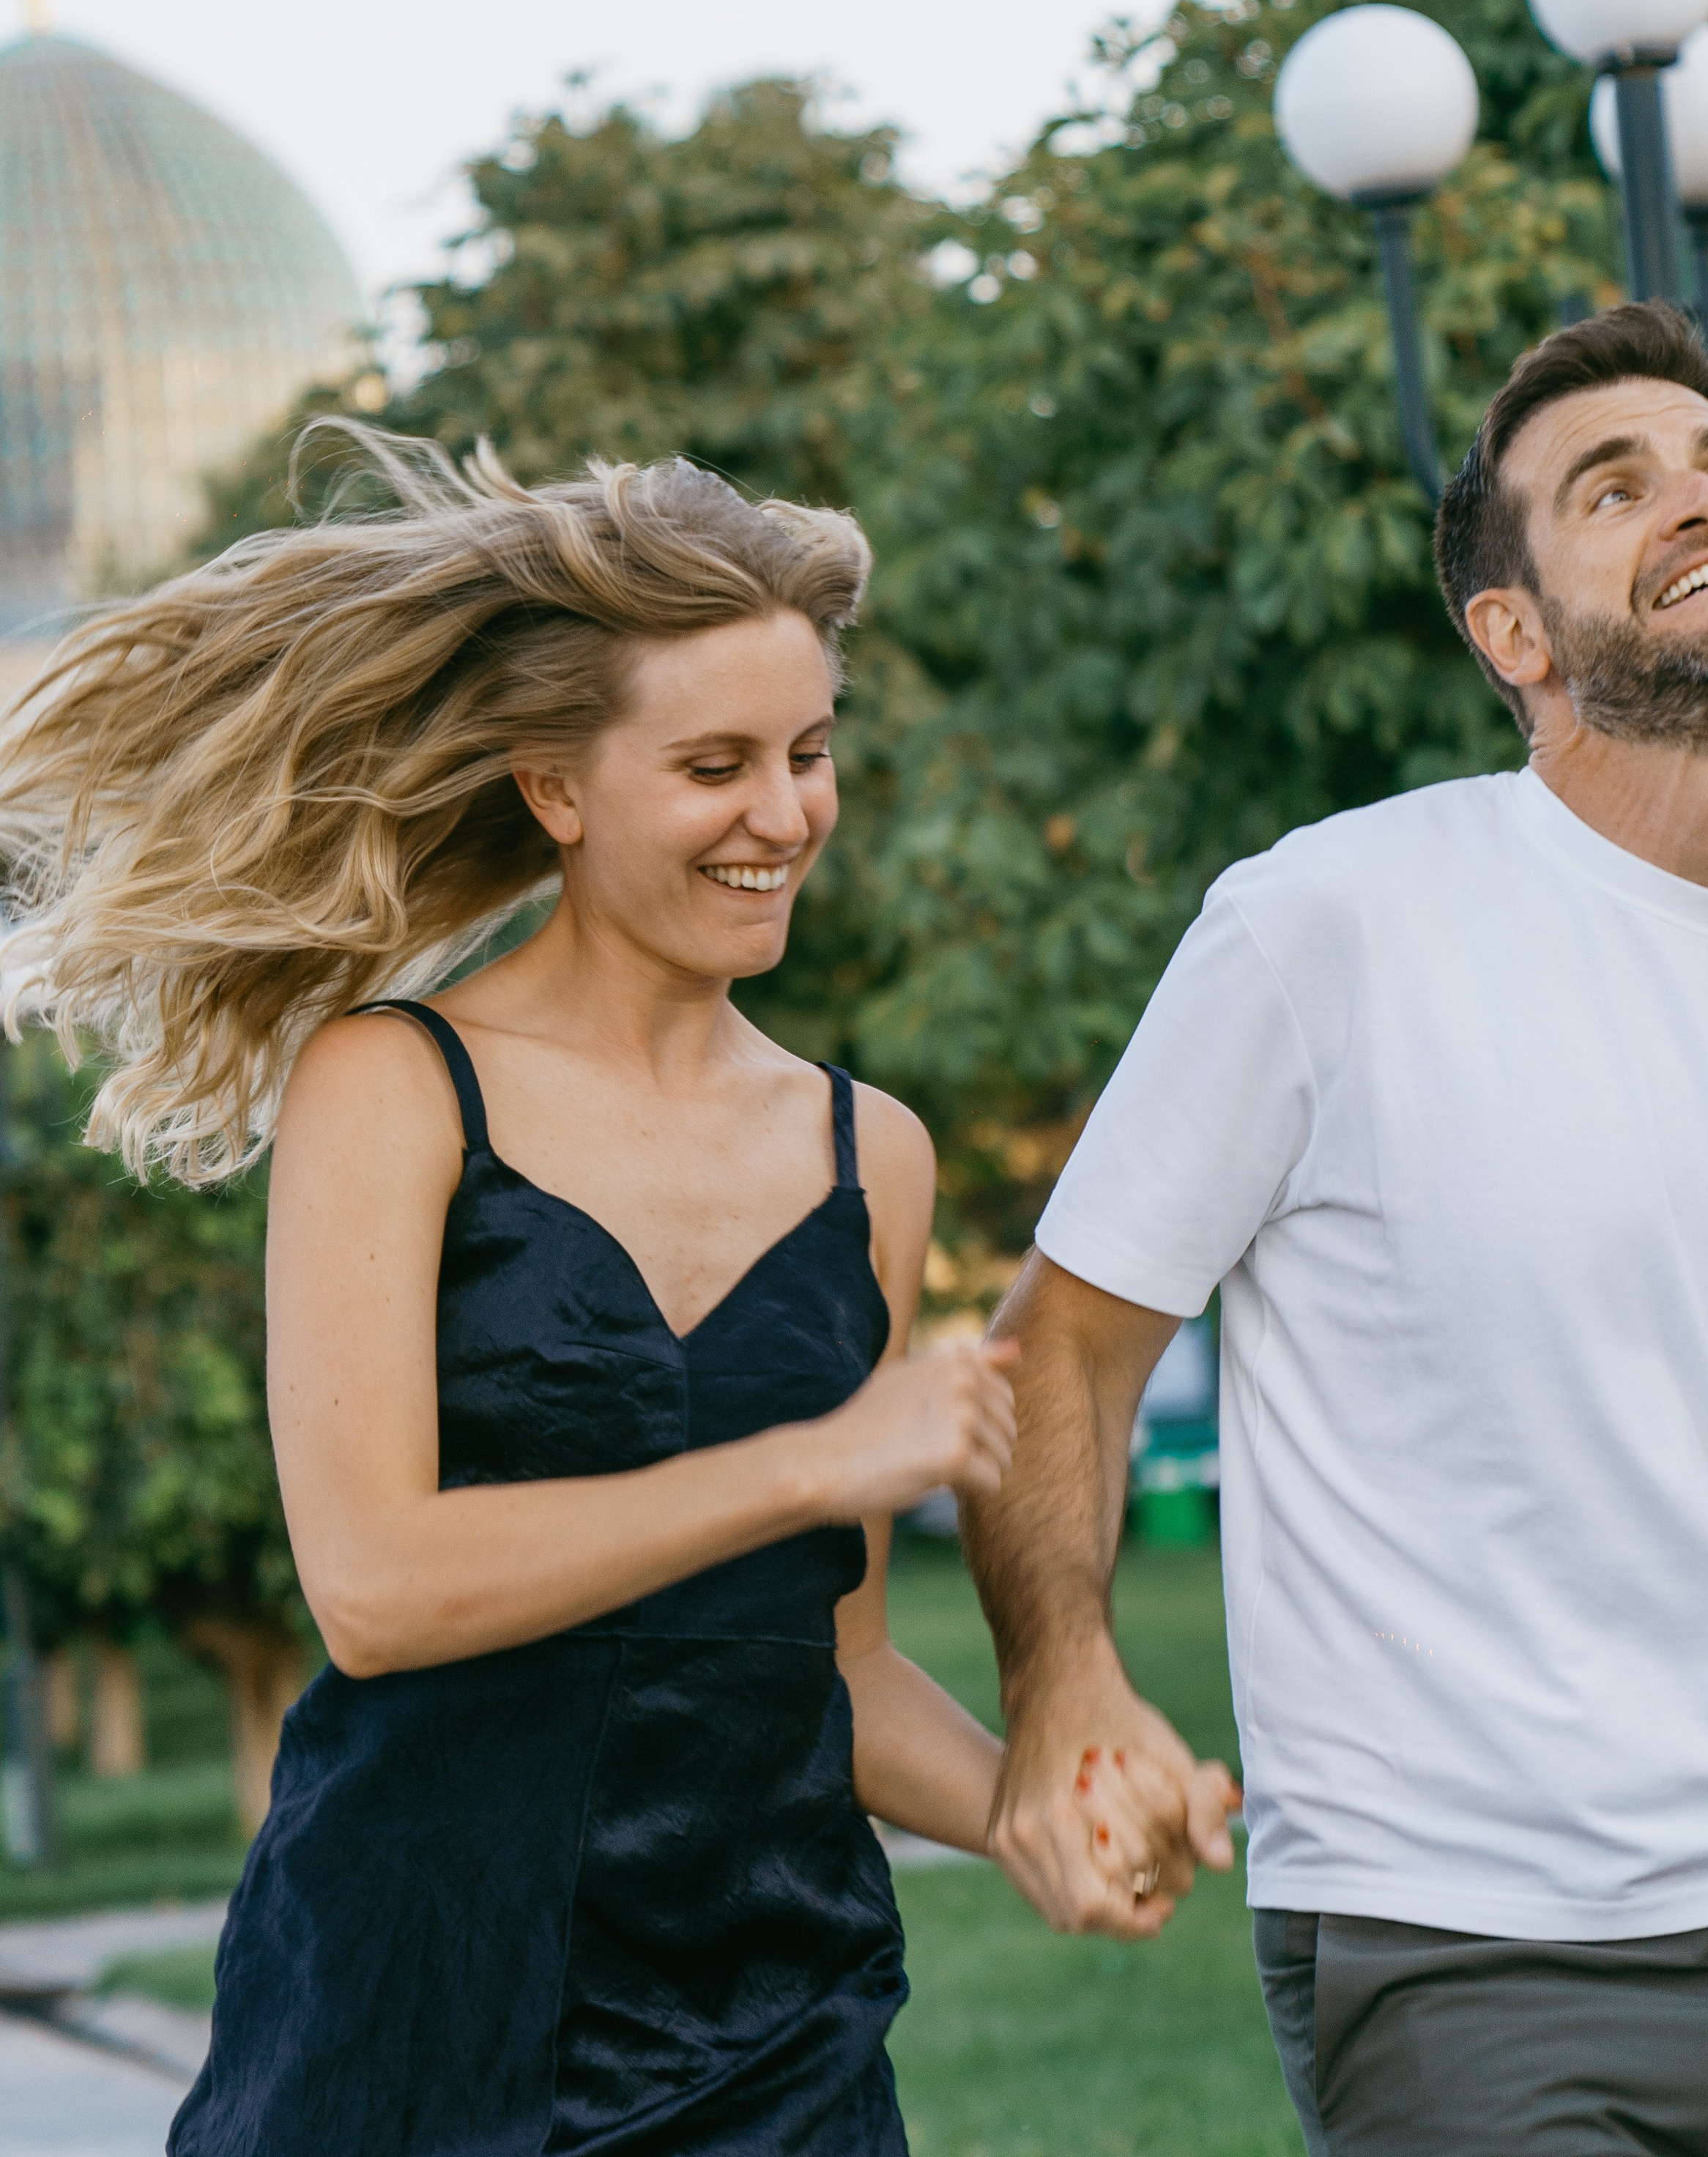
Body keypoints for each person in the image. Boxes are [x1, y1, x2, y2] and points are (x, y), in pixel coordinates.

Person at [0, 434, 1023, 2157]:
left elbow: (829, 1656)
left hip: (774, 2036)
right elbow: (376, 1588)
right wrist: (803, 1462)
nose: (782, 814)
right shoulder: (392, 1087)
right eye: (713, 763)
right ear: (555, 786)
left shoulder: (876, 1155)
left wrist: (1038, 1806)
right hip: (413, 2019)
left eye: (808, 752)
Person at [963, 302, 1708, 2154]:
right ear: (1512, 636)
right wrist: (1067, 1675)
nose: (1698, 502)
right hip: (1472, 1950)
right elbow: (1054, 1350)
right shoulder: (1328, 921)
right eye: (1610, 486)